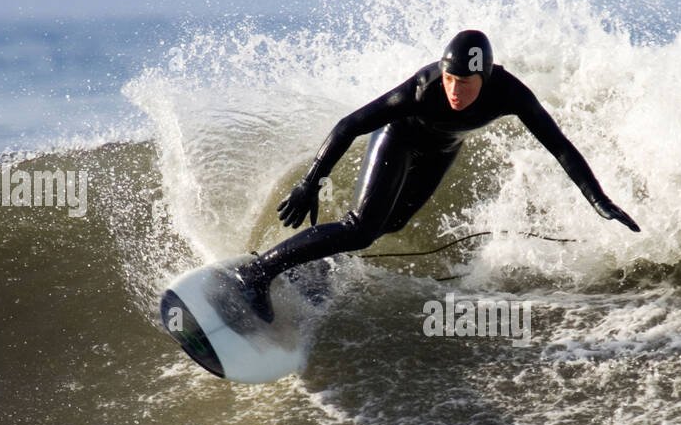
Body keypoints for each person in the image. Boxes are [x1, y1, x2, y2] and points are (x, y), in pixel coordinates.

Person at [241, 29, 640, 321]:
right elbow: (351, 124)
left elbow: (560, 147)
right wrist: (311, 181)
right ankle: (258, 272)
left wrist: (598, 200)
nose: (453, 89)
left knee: (394, 222)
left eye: (463, 82)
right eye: (449, 78)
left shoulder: (510, 93)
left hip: (442, 148)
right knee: (361, 228)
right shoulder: (422, 89)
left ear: (484, 77)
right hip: (399, 137)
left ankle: (316, 262)